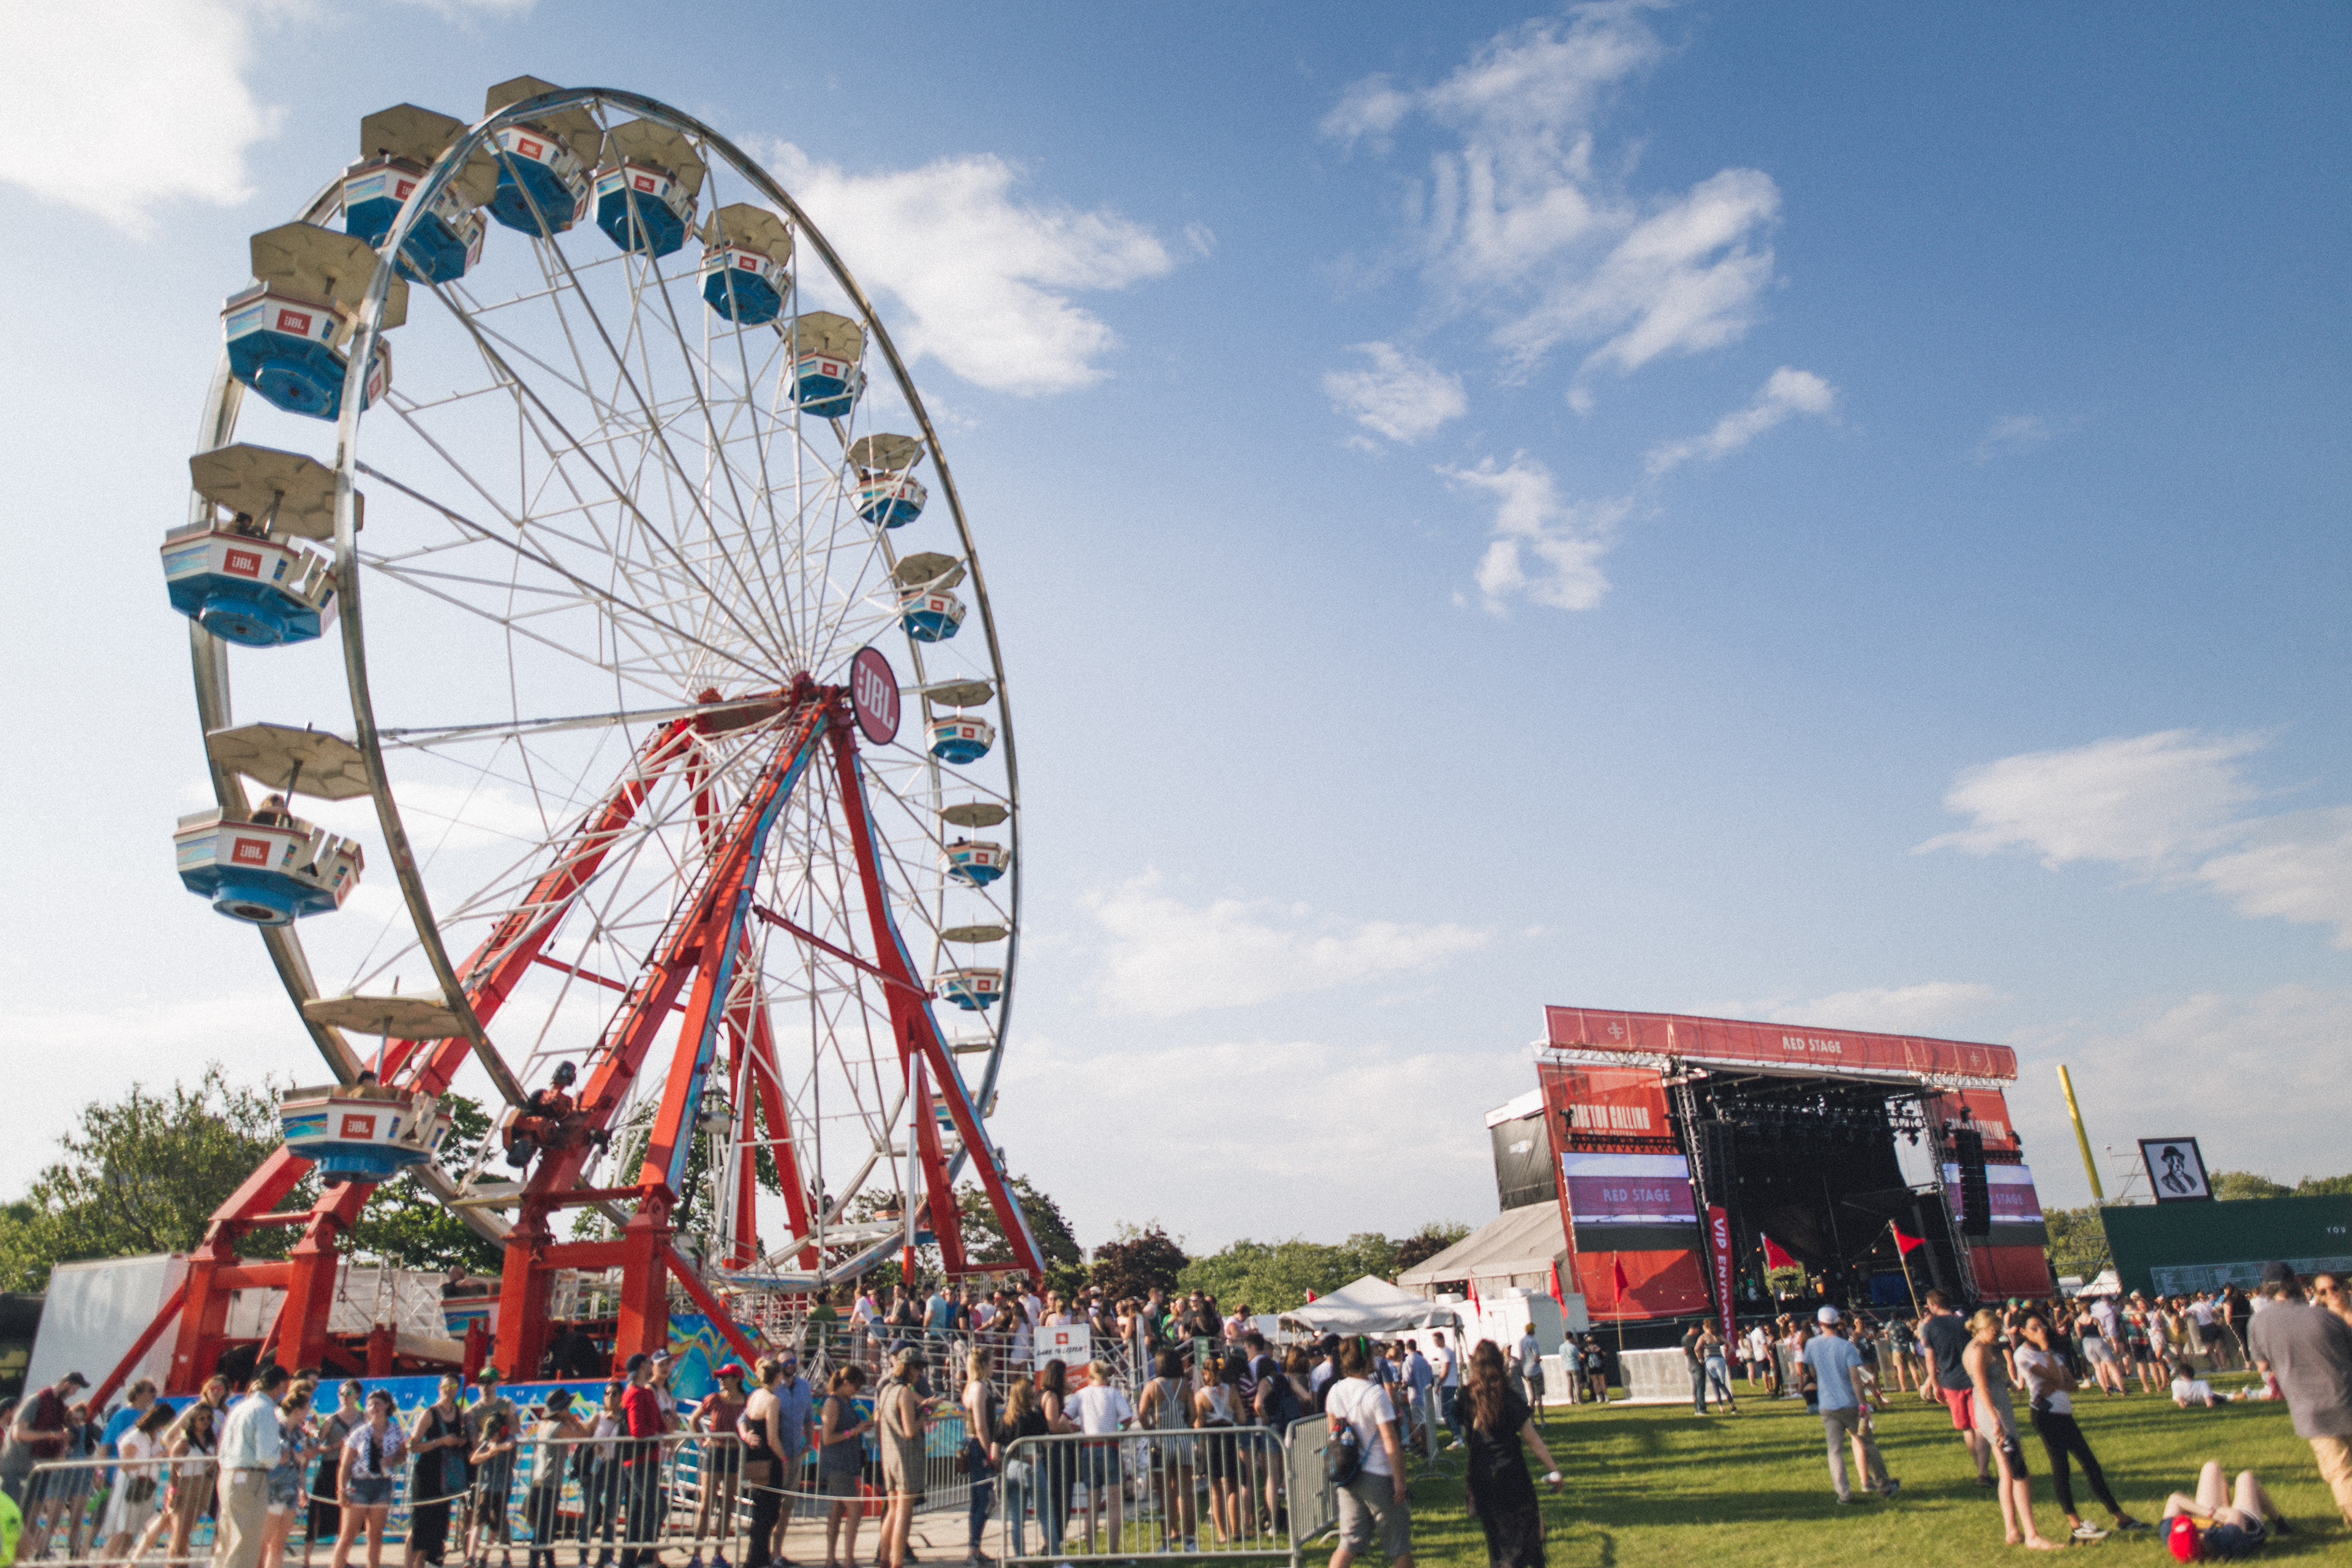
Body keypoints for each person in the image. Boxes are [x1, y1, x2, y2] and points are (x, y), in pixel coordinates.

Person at [2013, 1311, 2146, 1540]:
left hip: (2064, 1414)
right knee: (2062, 1470)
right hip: (2046, 1416)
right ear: (2023, 1332)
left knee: (2092, 1466)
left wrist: (2053, 1378)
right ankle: (2075, 1525)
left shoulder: (2050, 1352)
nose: (2041, 1331)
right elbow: (2056, 1378)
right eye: (2034, 1328)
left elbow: (2072, 1385)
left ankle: (2121, 1517)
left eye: (2042, 1326)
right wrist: (2048, 1357)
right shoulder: (2023, 1355)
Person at [2244, 1261, 2352, 1525]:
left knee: (2341, 1474)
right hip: (2346, 1397)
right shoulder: (2324, 1317)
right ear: (2296, 1282)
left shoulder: (2258, 1323)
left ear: (2266, 1290)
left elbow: (2262, 1366)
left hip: (2310, 1411)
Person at [1458, 1340, 1562, 1568]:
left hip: (1482, 1477)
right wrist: (1554, 1469)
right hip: (1512, 1474)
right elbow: (1532, 1439)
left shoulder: (1466, 1397)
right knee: (1529, 1537)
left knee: (1498, 1544)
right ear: (1500, 1363)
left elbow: (1456, 1419)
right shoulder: (1508, 1397)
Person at [1964, 1309, 2061, 1549]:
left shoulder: (1980, 1347)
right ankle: (2032, 1535)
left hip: (1995, 1412)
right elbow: (1982, 1387)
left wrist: (2009, 1384)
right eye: (1995, 1332)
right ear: (1982, 1329)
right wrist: (1995, 1418)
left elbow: (1992, 1382)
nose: (1998, 1337)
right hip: (1995, 1416)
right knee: (2021, 1473)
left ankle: (2012, 1531)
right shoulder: (1976, 1351)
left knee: (2006, 1473)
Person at [1325, 1339, 1411, 1568]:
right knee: (1400, 1549)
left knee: (1347, 1544)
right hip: (1378, 1474)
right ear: (1366, 1360)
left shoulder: (1335, 1392)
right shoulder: (1375, 1394)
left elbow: (1332, 1435)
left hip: (1348, 1475)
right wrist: (1400, 1481)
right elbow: (1390, 1441)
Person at [1803, 1307, 1897, 1506]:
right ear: (1837, 1323)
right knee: (1867, 1444)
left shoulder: (1811, 1344)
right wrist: (1863, 1406)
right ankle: (1884, 1486)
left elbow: (1811, 1370)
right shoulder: (1845, 1346)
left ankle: (1844, 1493)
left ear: (1820, 1324)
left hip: (1827, 1405)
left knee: (1835, 1450)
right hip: (1849, 1403)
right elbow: (1856, 1379)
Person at [216, 1363, 290, 1568]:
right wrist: (281, 1457)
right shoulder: (266, 1410)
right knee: (245, 1541)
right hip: (250, 1479)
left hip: (229, 1474)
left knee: (226, 1539)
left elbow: (223, 1449)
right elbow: (266, 1455)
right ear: (280, 1385)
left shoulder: (240, 1406)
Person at [1917, 1291, 1991, 1485]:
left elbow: (1930, 1358)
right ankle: (1984, 1471)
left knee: (1967, 1428)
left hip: (1950, 1381)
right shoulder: (1964, 1322)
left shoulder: (1930, 1327)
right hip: (1972, 1377)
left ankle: (1981, 1469)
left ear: (1933, 1305)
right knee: (1980, 1427)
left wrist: (1934, 1383)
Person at [331, 1389, 405, 1568]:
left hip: (382, 1485)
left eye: (378, 1404)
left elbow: (403, 1454)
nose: (374, 1408)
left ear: (387, 1405)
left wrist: (394, 1459)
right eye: (371, 1405)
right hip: (359, 1485)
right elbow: (346, 1464)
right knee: (348, 1534)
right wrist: (342, 1490)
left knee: (375, 1534)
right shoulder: (360, 1433)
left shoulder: (395, 1431)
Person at [1136, 1349, 1199, 1551]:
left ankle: (1167, 1541)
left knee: (1165, 1494)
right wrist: (1186, 1426)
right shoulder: (1185, 1386)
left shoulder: (1152, 1386)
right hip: (1182, 1441)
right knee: (1186, 1493)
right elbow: (1194, 1413)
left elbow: (1142, 1414)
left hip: (1161, 1443)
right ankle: (1190, 1540)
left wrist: (1151, 1430)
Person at [2162, 1461, 2290, 1559]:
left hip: (2215, 1517)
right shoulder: (2225, 1540)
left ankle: (2221, 1499)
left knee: (2210, 1467)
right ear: (2200, 1537)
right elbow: (2235, 1514)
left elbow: (2175, 1499)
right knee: (2245, 1479)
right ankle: (2280, 1523)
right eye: (2192, 1526)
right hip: (2246, 1526)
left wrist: (2208, 1513)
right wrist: (2215, 1514)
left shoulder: (2170, 1534)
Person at [100, 1400, 176, 1561]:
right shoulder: (135, 1436)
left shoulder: (156, 1437)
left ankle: (119, 1562)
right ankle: (106, 1562)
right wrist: (155, 1458)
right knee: (120, 1531)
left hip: (146, 1488)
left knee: (132, 1531)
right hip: (130, 1486)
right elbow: (126, 1465)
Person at [691, 1362, 750, 1566]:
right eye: (720, 1377)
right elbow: (694, 1419)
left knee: (727, 1505)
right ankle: (697, 1554)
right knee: (706, 1504)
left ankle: (718, 1553)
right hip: (715, 1451)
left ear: (736, 1379)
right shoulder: (714, 1399)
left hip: (734, 1453)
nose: (721, 1380)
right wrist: (703, 1439)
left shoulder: (746, 1401)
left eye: (725, 1377)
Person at [409, 1373, 470, 1568]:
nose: (449, 1390)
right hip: (426, 1473)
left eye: (453, 1387)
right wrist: (440, 1442)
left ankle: (422, 1564)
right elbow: (413, 1445)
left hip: (445, 1476)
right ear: (439, 1388)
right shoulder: (429, 1413)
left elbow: (467, 1438)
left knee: (437, 1527)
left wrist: (460, 1441)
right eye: (446, 1386)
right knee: (419, 1526)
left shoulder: (459, 1412)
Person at [1, 1369, 87, 1505]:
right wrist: (51, 1435)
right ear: (66, 1384)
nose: (75, 1393)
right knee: (10, 1516)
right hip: (15, 1472)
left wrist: (62, 1441)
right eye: (75, 1388)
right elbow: (19, 1434)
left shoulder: (58, 1408)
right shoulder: (35, 1401)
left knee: (27, 1517)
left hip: (35, 1472)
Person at [616, 1354, 671, 1568]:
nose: (651, 1365)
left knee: (639, 1512)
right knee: (657, 1506)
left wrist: (662, 1430)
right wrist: (659, 1434)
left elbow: (657, 1422)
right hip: (640, 1459)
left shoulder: (644, 1393)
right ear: (643, 1367)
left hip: (648, 1458)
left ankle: (628, 1561)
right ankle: (646, 1556)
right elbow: (637, 1429)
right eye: (649, 1363)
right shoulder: (636, 1394)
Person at [875, 1350, 929, 1568]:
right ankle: (897, 1563)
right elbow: (909, 1430)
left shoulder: (886, 1389)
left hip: (890, 1457)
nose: (920, 1373)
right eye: (918, 1368)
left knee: (893, 1511)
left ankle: (884, 1559)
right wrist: (925, 1414)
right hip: (905, 1458)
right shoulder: (904, 1393)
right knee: (904, 1516)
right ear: (909, 1368)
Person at [816, 1365, 873, 1568]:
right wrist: (854, 1432)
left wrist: (866, 1425)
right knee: (855, 1509)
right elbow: (828, 1438)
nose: (856, 1391)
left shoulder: (846, 1401)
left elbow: (855, 1425)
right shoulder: (832, 1402)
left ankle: (831, 1558)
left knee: (838, 1509)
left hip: (847, 1462)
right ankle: (849, 1558)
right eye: (855, 1387)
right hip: (836, 1464)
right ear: (846, 1383)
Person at [521, 1392, 586, 1568]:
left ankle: (550, 1563)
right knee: (543, 1529)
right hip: (548, 1483)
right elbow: (583, 1436)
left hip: (540, 1480)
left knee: (547, 1527)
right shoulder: (558, 1428)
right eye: (566, 1407)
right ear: (559, 1411)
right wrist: (572, 1420)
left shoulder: (545, 1425)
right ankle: (534, 1563)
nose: (569, 1410)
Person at [260, 1382, 318, 1568]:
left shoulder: (297, 1432)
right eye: (306, 1408)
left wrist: (313, 1433)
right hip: (274, 1487)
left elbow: (311, 1453)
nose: (308, 1412)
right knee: (264, 1540)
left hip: (291, 1487)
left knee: (278, 1544)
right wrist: (294, 1454)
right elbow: (280, 1456)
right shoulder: (277, 1427)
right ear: (297, 1410)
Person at [307, 1381, 364, 1561]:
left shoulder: (364, 1418)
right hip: (330, 1467)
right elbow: (316, 1446)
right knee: (316, 1515)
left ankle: (341, 1559)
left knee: (347, 1519)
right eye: (341, 1393)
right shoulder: (332, 1420)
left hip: (353, 1470)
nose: (344, 1397)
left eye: (348, 1392)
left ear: (357, 1395)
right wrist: (334, 1446)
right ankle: (306, 1559)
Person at [1197, 1352, 1248, 1545]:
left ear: (1204, 1373)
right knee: (1233, 1485)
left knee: (1216, 1489)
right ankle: (1236, 1531)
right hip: (1228, 1437)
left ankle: (1223, 1534)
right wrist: (1229, 1415)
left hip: (1210, 1440)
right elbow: (1242, 1418)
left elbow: (1198, 1424)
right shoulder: (1232, 1391)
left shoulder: (1200, 1395)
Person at [465, 1411, 520, 1568]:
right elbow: (474, 1458)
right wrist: (490, 1453)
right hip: (486, 1486)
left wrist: (498, 1447)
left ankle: (488, 1555)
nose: (492, 1439)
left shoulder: (508, 1437)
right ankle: (471, 1556)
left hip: (503, 1487)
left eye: (494, 1435)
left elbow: (510, 1445)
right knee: (480, 1520)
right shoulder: (488, 1441)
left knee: (498, 1522)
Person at [1429, 1331, 1461, 1446]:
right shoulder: (1447, 1352)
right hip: (1451, 1384)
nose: (1435, 1343)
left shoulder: (1445, 1352)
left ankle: (1457, 1437)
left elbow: (1445, 1370)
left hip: (1448, 1384)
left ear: (1442, 1340)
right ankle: (1458, 1434)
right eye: (1434, 1341)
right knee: (1450, 1410)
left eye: (1436, 1340)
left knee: (1446, 1411)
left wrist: (1439, 1384)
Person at [1699, 1325, 1737, 1414]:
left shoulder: (1704, 1337)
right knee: (1723, 1384)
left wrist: (1700, 1359)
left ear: (1705, 1327)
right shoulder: (1718, 1336)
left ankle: (1721, 1408)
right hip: (1720, 1360)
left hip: (1710, 1361)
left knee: (1715, 1385)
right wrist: (1727, 1357)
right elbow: (1731, 1345)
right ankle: (1732, 1406)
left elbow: (1697, 1348)